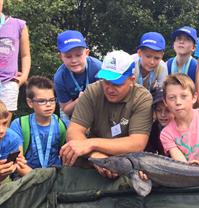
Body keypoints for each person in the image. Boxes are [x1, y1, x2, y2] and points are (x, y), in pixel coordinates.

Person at [60, 50, 153, 178]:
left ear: (132, 80)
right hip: (92, 158)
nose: (109, 88)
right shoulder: (92, 91)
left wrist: (91, 144)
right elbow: (73, 132)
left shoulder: (142, 98)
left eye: (117, 83)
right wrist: (96, 157)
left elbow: (137, 143)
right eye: (106, 81)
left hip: (128, 161)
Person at [10, 76, 65, 174]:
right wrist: (40, 180)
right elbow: (18, 162)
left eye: (52, 100)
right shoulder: (19, 125)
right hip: (27, 177)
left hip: (55, 177)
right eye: (42, 101)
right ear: (30, 102)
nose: (48, 105)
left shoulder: (62, 124)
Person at [54, 30, 102, 120]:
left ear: (87, 53)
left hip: (97, 109)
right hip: (72, 114)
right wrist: (80, 100)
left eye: (78, 55)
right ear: (61, 57)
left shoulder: (99, 68)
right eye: (68, 56)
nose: (74, 60)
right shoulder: (60, 77)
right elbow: (66, 109)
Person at [0, 0, 31, 123]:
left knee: (3, 127)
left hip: (9, 83)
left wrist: (23, 77)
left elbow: (25, 55)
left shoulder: (18, 25)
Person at [0, 100, 24, 183]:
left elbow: (19, 162)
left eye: (4, 123)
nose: (1, 130)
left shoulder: (13, 139)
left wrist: (16, 164)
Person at [145, 87, 173, 155]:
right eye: (159, 110)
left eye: (168, 110)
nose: (163, 114)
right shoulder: (153, 129)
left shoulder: (182, 128)